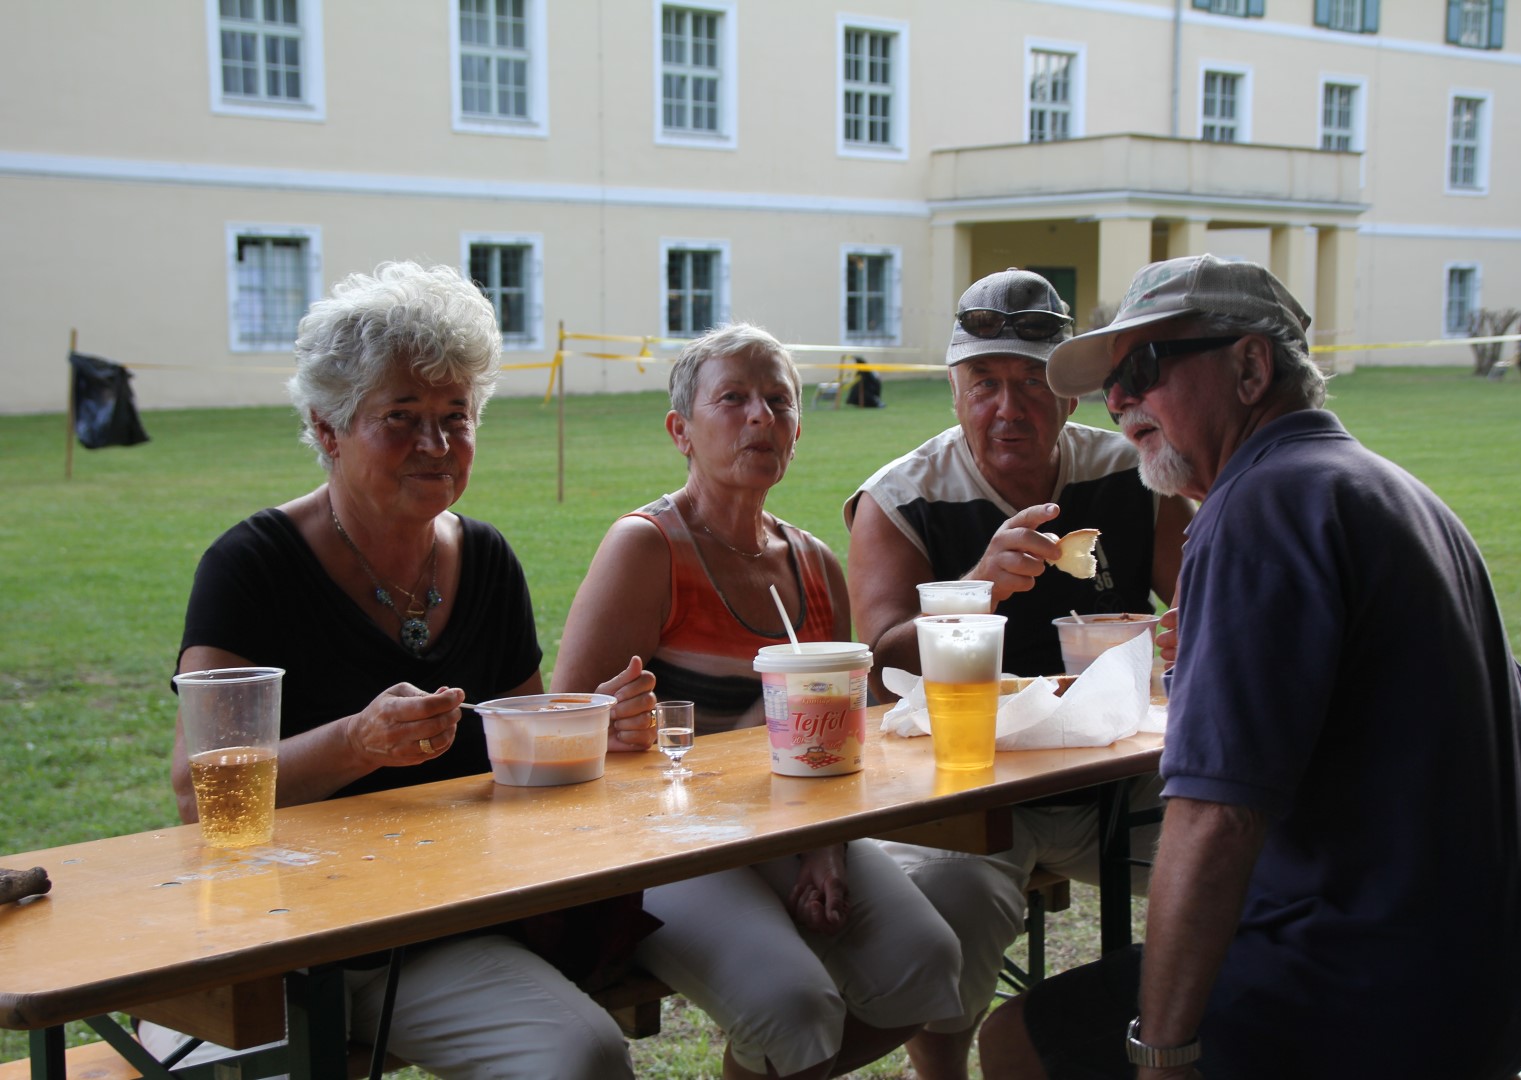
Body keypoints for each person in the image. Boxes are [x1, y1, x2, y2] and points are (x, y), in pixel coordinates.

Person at [979, 253, 1521, 1079]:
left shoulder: (1260, 505)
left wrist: (1162, 1054)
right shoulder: (1399, 492)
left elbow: (1215, 817)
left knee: (1016, 1040)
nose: (1119, 400)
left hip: (1383, 996)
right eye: (1113, 381)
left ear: (1251, 367)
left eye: (1147, 368)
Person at [145, 262, 657, 1080]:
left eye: (456, 416)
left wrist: (587, 723)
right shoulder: (251, 567)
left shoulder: (486, 560)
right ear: (327, 428)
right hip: (278, 936)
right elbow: (194, 791)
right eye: (401, 417)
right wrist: (357, 742)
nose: (435, 444)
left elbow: (512, 751)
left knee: (583, 1053)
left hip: (434, 932)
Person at [552, 322, 963, 1080]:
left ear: (799, 430)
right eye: (734, 399)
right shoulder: (646, 549)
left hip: (786, 823)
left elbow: (837, 738)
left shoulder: (814, 566)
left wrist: (826, 851)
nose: (760, 418)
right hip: (663, 839)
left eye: (779, 401)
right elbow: (562, 723)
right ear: (682, 429)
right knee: (793, 1000)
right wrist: (617, 723)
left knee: (930, 962)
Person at [843, 268, 1194, 1080]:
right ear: (956, 393)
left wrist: (1187, 635)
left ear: (1070, 395)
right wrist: (977, 591)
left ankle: (1198, 1034)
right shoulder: (901, 498)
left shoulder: (1132, 475)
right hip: (970, 786)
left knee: (1256, 849)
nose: (1009, 408)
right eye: (985, 383)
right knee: (953, 903)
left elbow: (1210, 598)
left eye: (1032, 383)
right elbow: (882, 653)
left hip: (1122, 771)